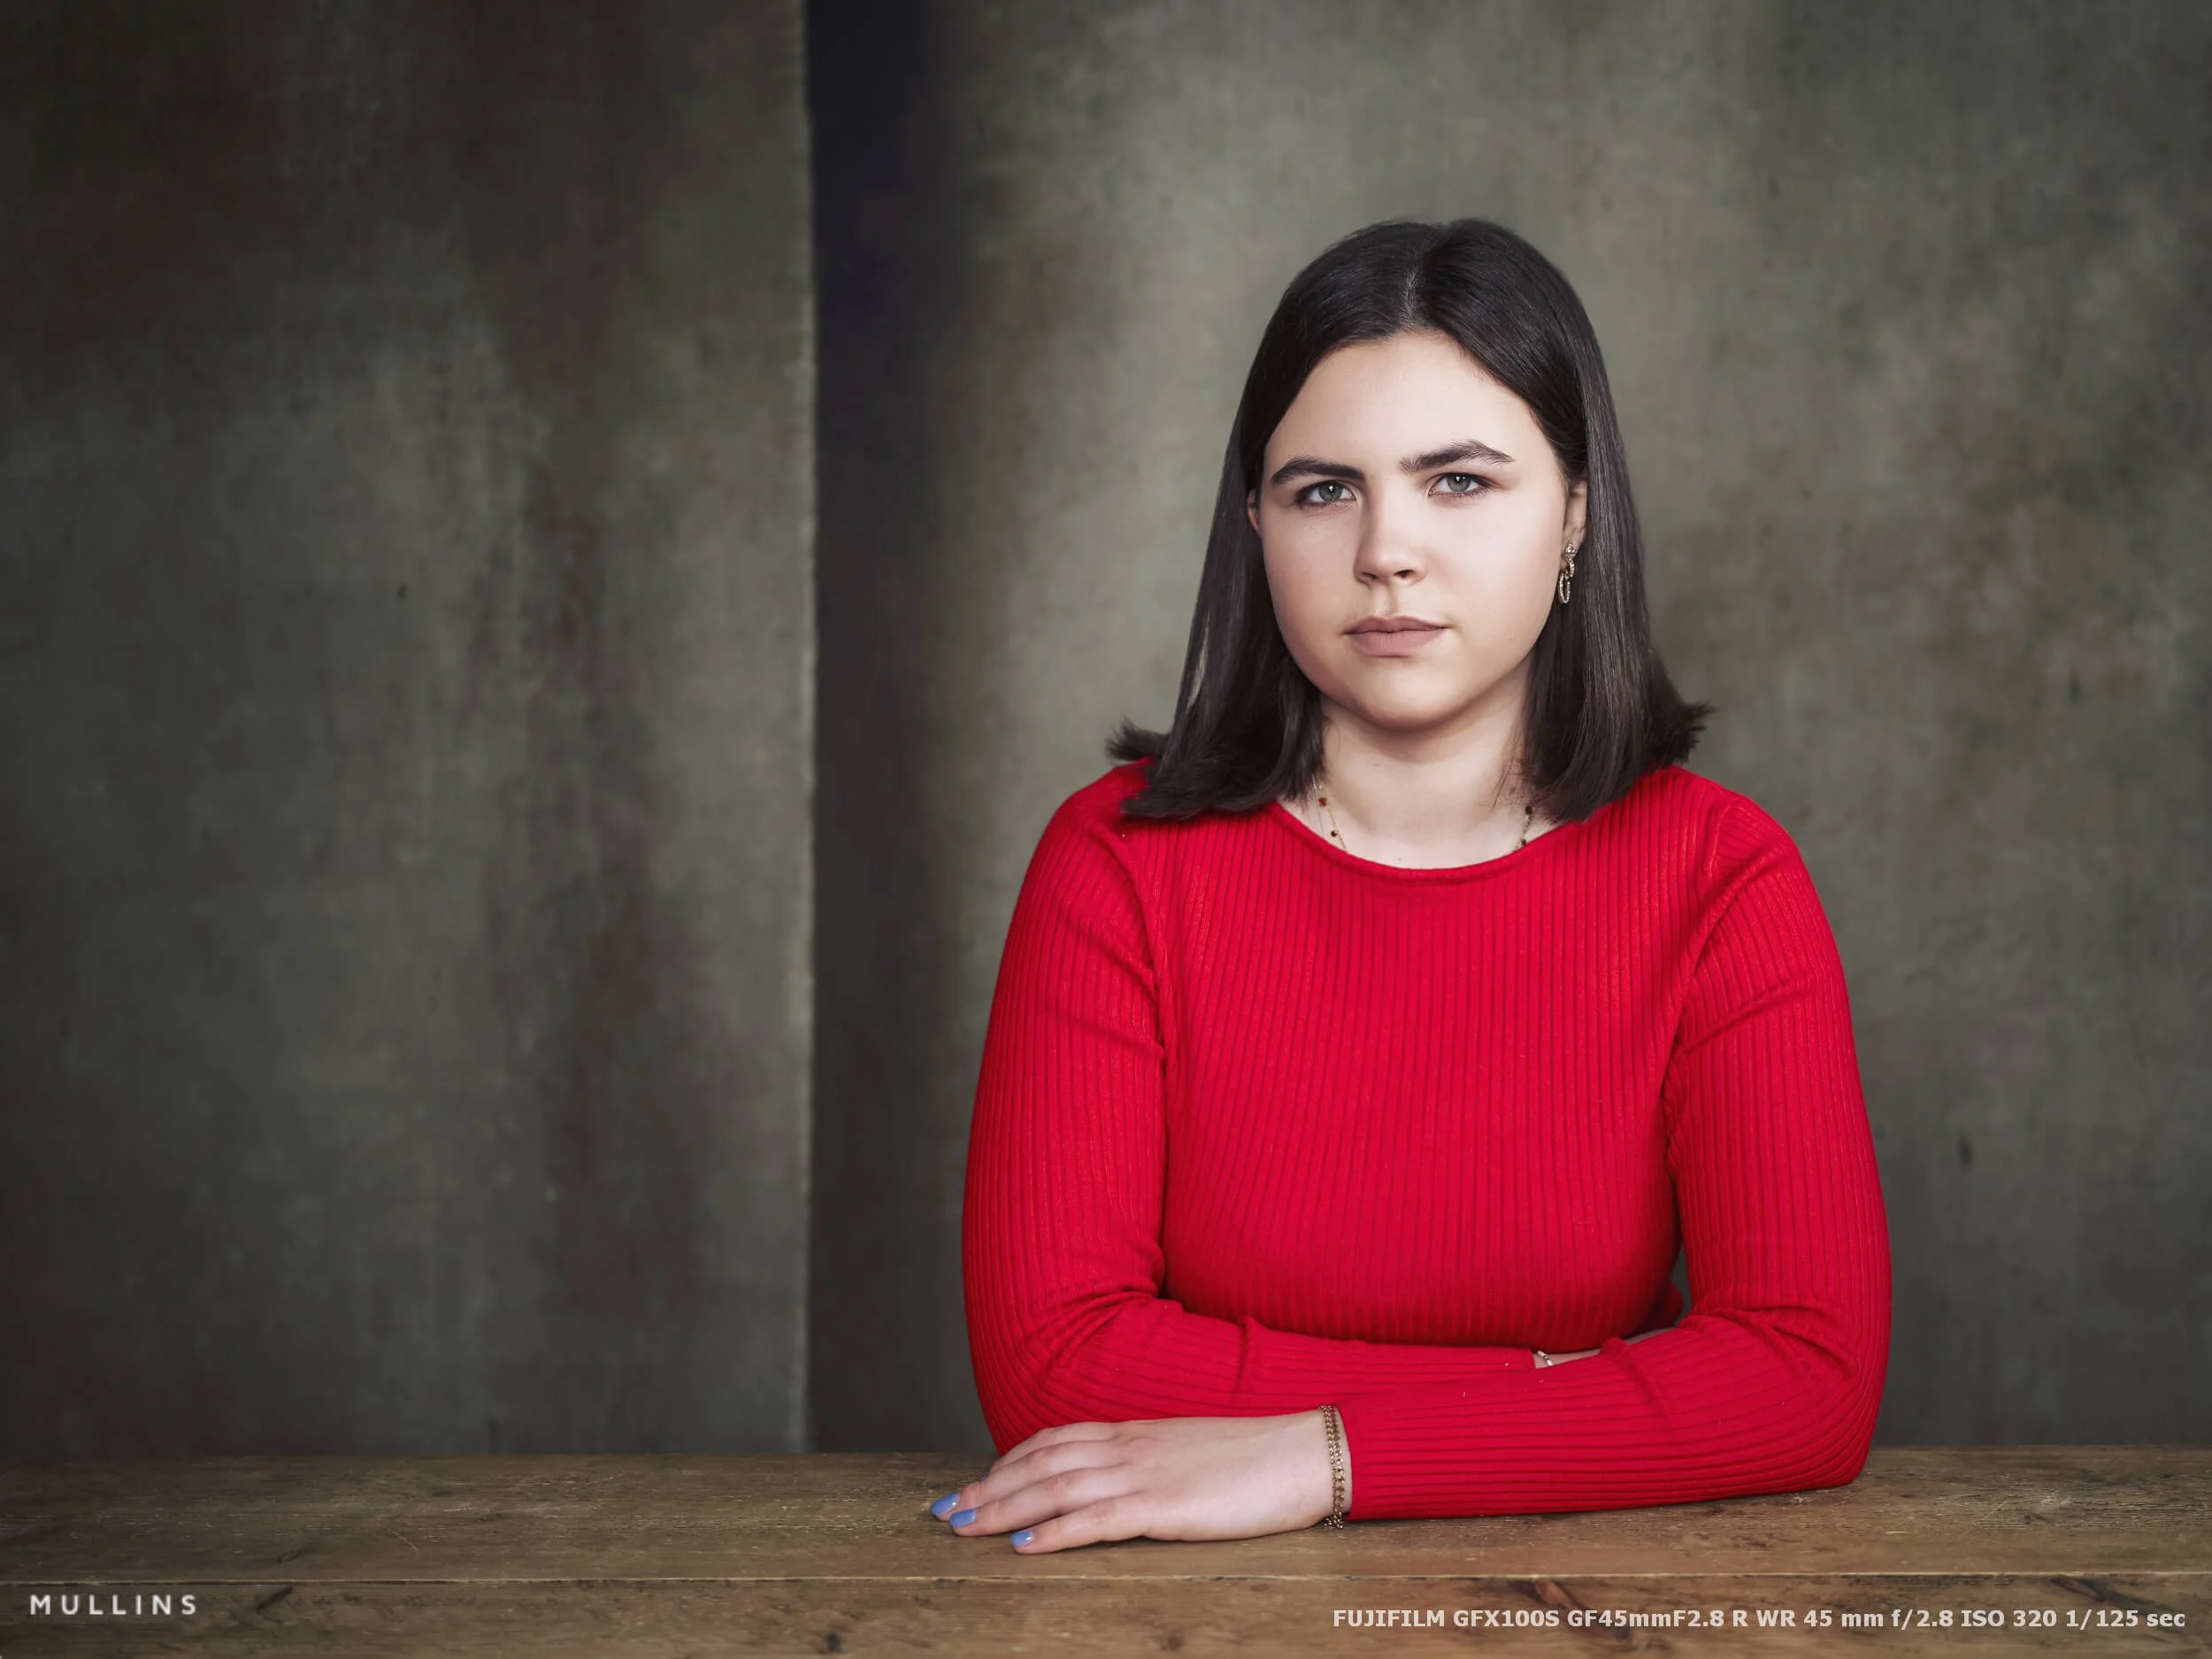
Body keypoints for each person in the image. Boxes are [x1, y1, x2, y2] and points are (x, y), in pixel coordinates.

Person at [931, 218, 1892, 1554]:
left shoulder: (1721, 881)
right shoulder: (1117, 864)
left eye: (1458, 481)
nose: (1385, 549)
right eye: (1324, 489)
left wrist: (1328, 1454)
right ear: (1256, 523)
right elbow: (1056, 1362)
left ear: (1574, 515)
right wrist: (1576, 1400)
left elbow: (1804, 1380)